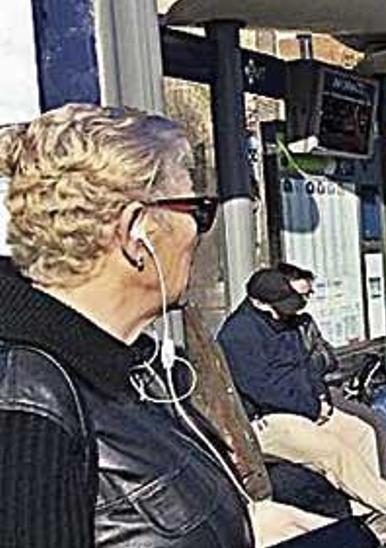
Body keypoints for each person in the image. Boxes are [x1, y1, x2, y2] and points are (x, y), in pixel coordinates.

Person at [0, 105, 252, 546]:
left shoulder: (133, 369)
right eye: (196, 208)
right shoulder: (28, 400)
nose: (198, 229)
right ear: (137, 230)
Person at [218, 268, 386, 534]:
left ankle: (367, 514)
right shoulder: (238, 334)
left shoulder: (286, 321)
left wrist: (320, 398)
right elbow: (261, 390)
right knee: (332, 451)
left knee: (361, 432)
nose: (287, 310)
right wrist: (311, 407)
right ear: (259, 303)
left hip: (305, 407)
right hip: (267, 420)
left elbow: (306, 365)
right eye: (280, 306)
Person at [275, 262, 386, 480]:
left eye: (308, 294)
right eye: (300, 295)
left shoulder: (303, 323)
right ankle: (377, 490)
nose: (303, 302)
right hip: (303, 397)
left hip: (321, 388)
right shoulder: (272, 328)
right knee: (370, 424)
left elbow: (326, 358)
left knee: (372, 423)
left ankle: (382, 490)